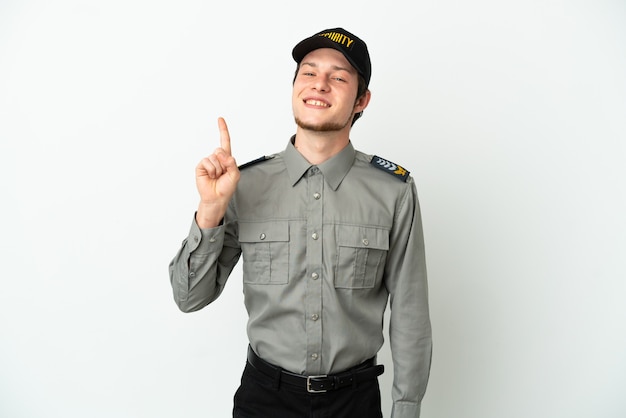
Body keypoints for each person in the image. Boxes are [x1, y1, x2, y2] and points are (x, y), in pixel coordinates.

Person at [169, 27, 432, 418]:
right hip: (264, 400)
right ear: (295, 88)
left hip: (354, 403)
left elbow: (410, 314)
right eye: (308, 72)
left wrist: (406, 410)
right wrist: (210, 210)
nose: (320, 84)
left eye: (338, 76)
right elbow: (189, 298)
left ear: (362, 100)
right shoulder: (243, 185)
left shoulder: (393, 191)